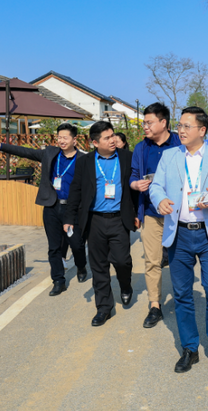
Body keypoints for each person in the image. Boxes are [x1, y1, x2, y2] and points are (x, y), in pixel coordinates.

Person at [149, 106, 208, 374]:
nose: (181, 130)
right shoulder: (169, 156)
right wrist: (159, 199)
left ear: (202, 130)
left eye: (187, 126)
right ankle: (190, 348)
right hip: (179, 233)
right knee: (182, 294)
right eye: (179, 125)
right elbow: (156, 186)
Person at [0, 123, 87, 297]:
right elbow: (26, 152)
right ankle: (58, 281)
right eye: (59, 137)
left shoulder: (84, 159)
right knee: (54, 247)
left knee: (76, 244)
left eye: (65, 137)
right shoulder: (50, 153)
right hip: (51, 206)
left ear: (74, 139)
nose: (61, 140)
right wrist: (0, 145)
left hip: (73, 208)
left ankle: (81, 265)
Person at [63, 121, 139, 326]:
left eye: (113, 135)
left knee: (122, 260)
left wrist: (137, 213)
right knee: (98, 266)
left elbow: (134, 189)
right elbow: (75, 190)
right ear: (95, 142)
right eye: (107, 138)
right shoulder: (85, 162)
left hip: (119, 219)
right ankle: (104, 308)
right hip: (94, 220)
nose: (113, 140)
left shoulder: (127, 157)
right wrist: (69, 218)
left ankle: (125, 285)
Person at [129, 102, 182, 328]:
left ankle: (182, 302)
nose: (145, 126)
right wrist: (135, 185)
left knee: (180, 260)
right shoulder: (141, 148)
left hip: (177, 214)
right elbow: (133, 175)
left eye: (149, 122)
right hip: (150, 212)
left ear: (163, 122)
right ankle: (155, 305)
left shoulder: (180, 144)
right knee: (152, 261)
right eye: (144, 122)